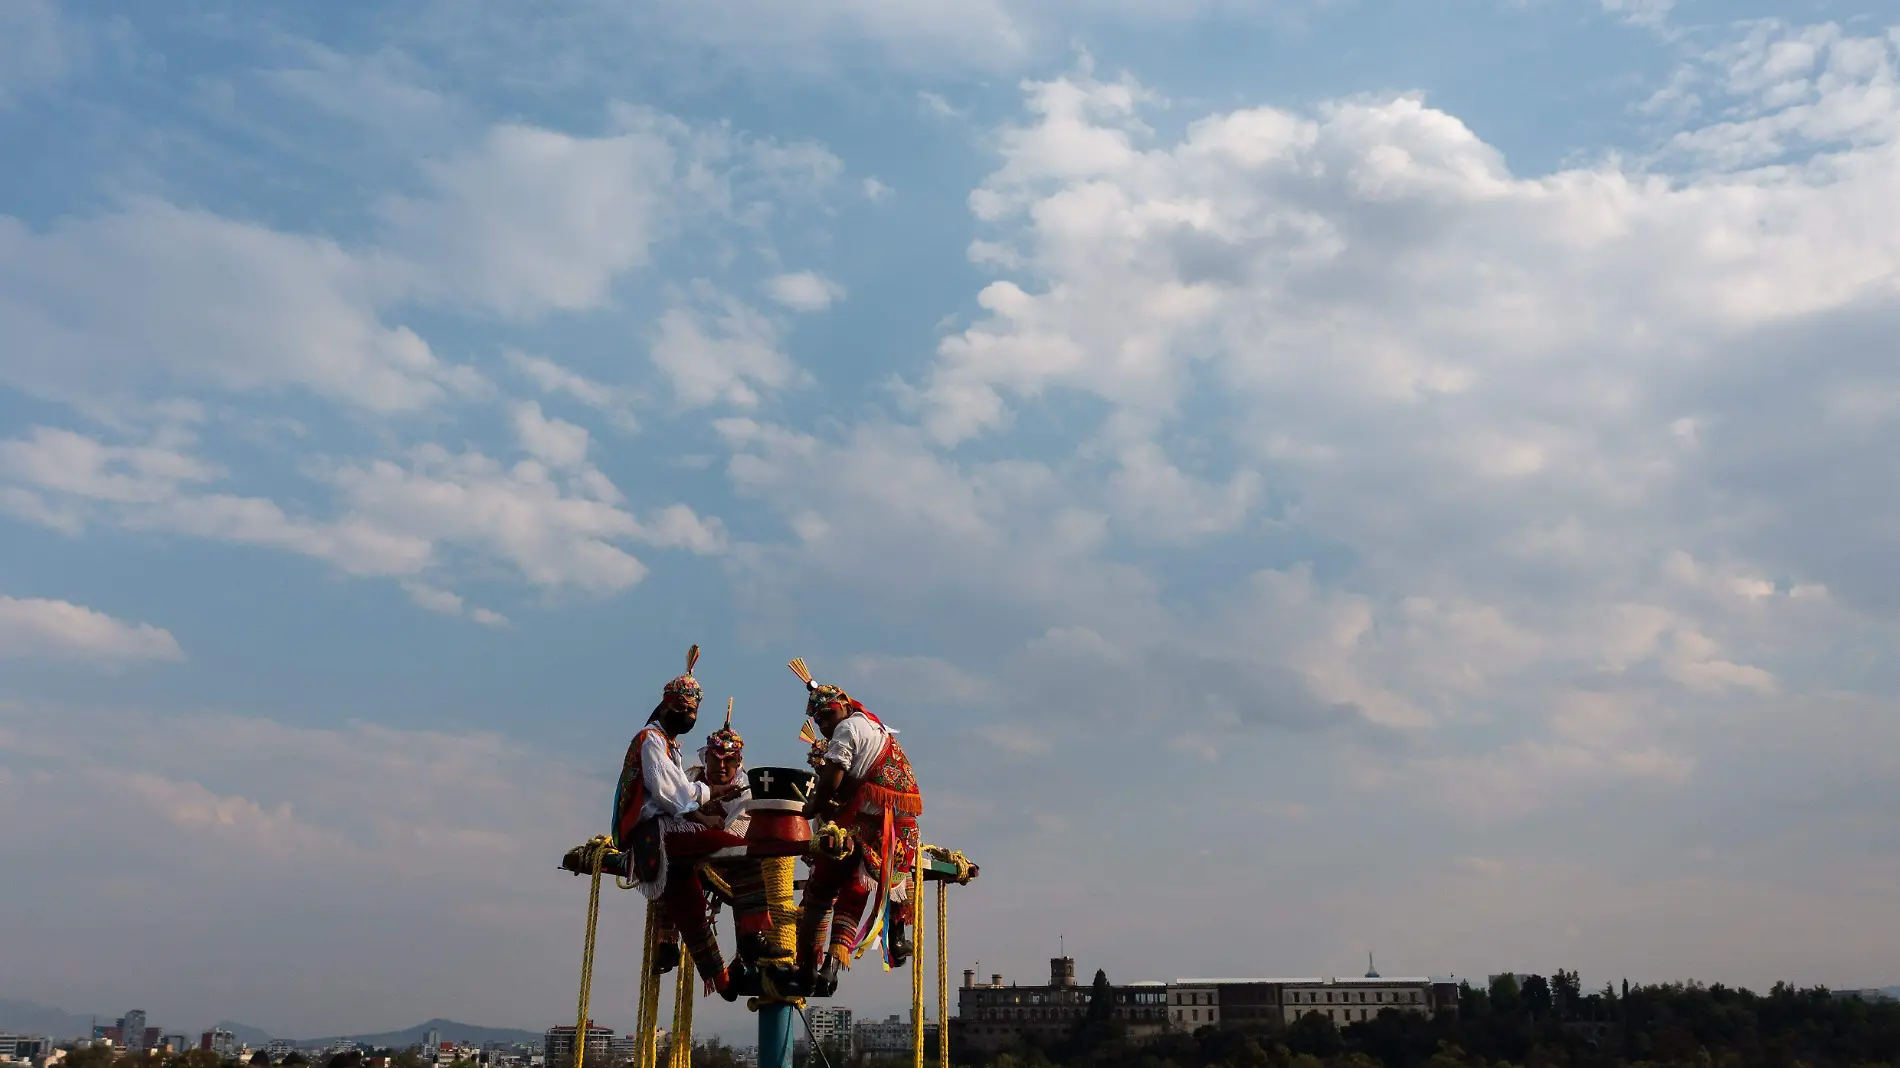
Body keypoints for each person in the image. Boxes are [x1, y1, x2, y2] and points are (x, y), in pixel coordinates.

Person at [610, 645, 751, 999]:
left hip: (662, 838)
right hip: (656, 833)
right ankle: (756, 939)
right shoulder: (652, 741)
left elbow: (684, 798)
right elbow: (674, 797)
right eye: (682, 708)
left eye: (693, 710)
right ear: (666, 705)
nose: (688, 715)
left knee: (693, 913)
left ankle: (723, 982)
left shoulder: (670, 745)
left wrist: (710, 798)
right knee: (745, 851)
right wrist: (708, 794)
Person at [786, 658, 924, 995]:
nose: (824, 726)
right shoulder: (872, 725)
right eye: (818, 721)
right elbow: (849, 784)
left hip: (876, 827)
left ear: (845, 706)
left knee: (830, 887)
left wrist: (807, 809)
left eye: (827, 716)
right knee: (864, 886)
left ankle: (811, 967)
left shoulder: (848, 730)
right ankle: (889, 941)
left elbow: (831, 783)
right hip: (900, 826)